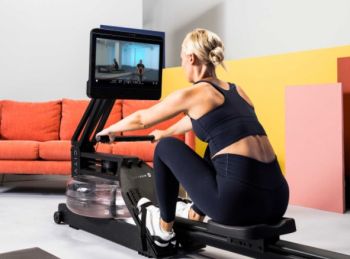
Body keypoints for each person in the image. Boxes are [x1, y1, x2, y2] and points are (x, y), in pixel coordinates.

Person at [96, 28, 289, 247]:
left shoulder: (195, 93)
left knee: (165, 148)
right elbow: (205, 122)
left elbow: (142, 119)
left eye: (181, 60)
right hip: (277, 199)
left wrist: (109, 130)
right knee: (215, 144)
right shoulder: (237, 91)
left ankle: (163, 230)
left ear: (191, 58)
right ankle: (195, 213)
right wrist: (165, 132)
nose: (182, 66)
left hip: (237, 203)